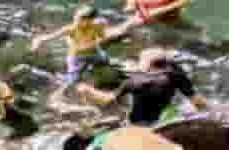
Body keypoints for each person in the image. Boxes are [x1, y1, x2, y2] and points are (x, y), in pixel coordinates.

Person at [68, 48, 201, 127]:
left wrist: (86, 89)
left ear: (149, 65)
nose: (138, 62)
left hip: (141, 123)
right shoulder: (176, 74)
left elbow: (107, 100)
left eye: (140, 60)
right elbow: (197, 102)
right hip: (166, 117)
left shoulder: (135, 82)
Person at [31, 4, 119, 87]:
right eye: (76, 18)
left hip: (94, 53)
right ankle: (58, 78)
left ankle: (93, 70)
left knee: (105, 59)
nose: (76, 21)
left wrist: (100, 37)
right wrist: (38, 41)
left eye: (80, 19)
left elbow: (103, 36)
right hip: (76, 56)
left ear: (89, 20)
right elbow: (50, 36)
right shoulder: (71, 29)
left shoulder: (96, 26)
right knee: (73, 81)